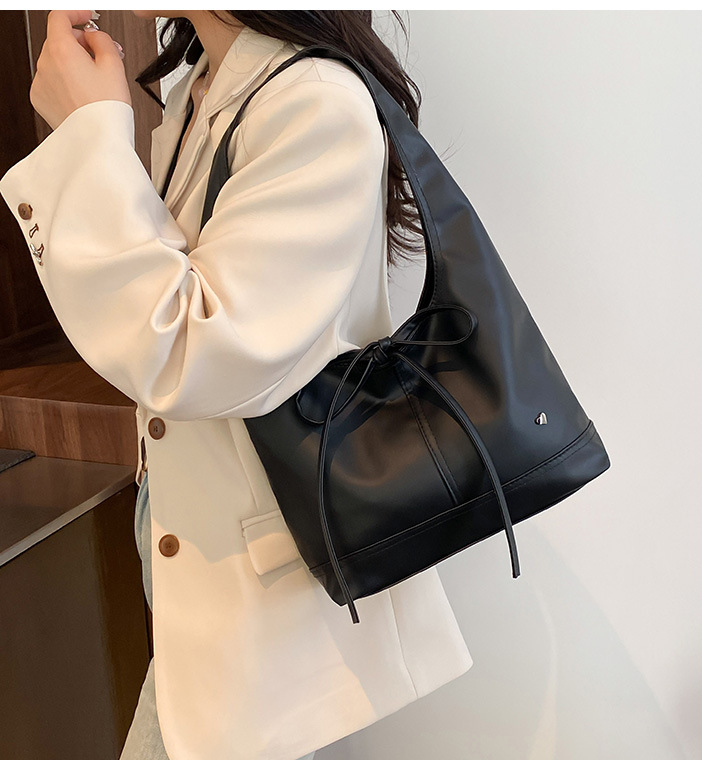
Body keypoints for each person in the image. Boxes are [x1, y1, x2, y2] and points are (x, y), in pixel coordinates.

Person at [0, 10, 474, 760]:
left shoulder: (314, 101)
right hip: (201, 539)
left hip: (268, 569)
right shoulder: (206, 86)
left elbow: (184, 352)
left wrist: (87, 136)